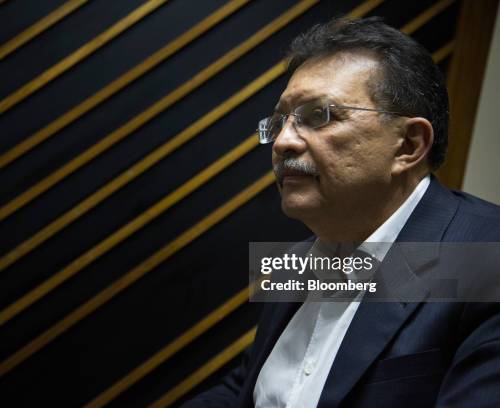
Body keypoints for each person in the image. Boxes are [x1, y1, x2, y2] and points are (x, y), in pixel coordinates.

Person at [183, 17, 500, 407]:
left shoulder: (487, 261)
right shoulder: (297, 261)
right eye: (279, 122)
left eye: (318, 116)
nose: (282, 142)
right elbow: (250, 388)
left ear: (409, 145)